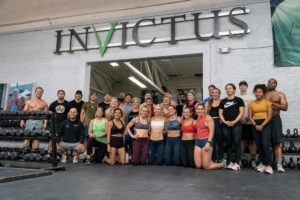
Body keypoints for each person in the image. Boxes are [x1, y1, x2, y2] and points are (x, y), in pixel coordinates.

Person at [248, 84, 273, 174]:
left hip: (265, 123)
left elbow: (270, 116)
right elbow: (250, 116)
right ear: (254, 93)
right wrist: (255, 125)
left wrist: (262, 125)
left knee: (265, 144)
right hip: (255, 124)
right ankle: (263, 164)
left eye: (260, 92)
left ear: (263, 93)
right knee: (259, 145)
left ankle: (269, 166)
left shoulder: (267, 103)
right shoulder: (251, 104)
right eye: (256, 92)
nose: (258, 93)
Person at [219, 83, 245, 171]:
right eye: (226, 88)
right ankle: (231, 162)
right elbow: (220, 114)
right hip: (226, 125)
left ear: (234, 90)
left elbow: (241, 112)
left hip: (236, 125)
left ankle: (237, 163)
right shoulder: (223, 101)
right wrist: (225, 122)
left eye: (230, 88)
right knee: (228, 143)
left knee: (237, 142)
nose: (228, 90)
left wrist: (234, 122)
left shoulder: (239, 100)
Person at [266, 78, 288, 173]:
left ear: (276, 85)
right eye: (269, 82)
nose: (271, 84)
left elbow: (285, 107)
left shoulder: (280, 94)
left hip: (275, 119)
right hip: (264, 120)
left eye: (273, 83)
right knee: (264, 143)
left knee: (277, 143)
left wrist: (272, 104)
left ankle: (279, 165)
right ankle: (266, 164)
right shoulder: (263, 94)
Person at [194, 103, 224, 169]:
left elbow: (212, 131)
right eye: (198, 109)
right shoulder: (198, 118)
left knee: (206, 166)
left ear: (205, 110)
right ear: (196, 110)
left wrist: (208, 142)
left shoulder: (208, 118)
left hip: (206, 141)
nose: (200, 110)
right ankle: (208, 161)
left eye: (202, 109)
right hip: (198, 142)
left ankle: (223, 164)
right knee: (198, 166)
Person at [239, 81, 256, 168]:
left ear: (247, 87)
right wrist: (239, 119)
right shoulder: (237, 97)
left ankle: (253, 161)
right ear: (239, 87)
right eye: (241, 85)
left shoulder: (251, 97)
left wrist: (247, 118)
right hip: (239, 123)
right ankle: (240, 160)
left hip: (249, 122)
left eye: (244, 85)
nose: (242, 87)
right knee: (240, 141)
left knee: (251, 141)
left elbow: (254, 110)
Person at [205, 88, 223, 162]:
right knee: (213, 140)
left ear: (219, 94)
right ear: (211, 94)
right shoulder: (208, 102)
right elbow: (205, 114)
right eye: (213, 92)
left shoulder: (222, 102)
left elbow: (225, 112)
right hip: (210, 122)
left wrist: (222, 119)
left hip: (219, 122)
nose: (215, 94)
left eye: (216, 92)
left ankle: (221, 158)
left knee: (220, 141)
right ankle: (214, 158)